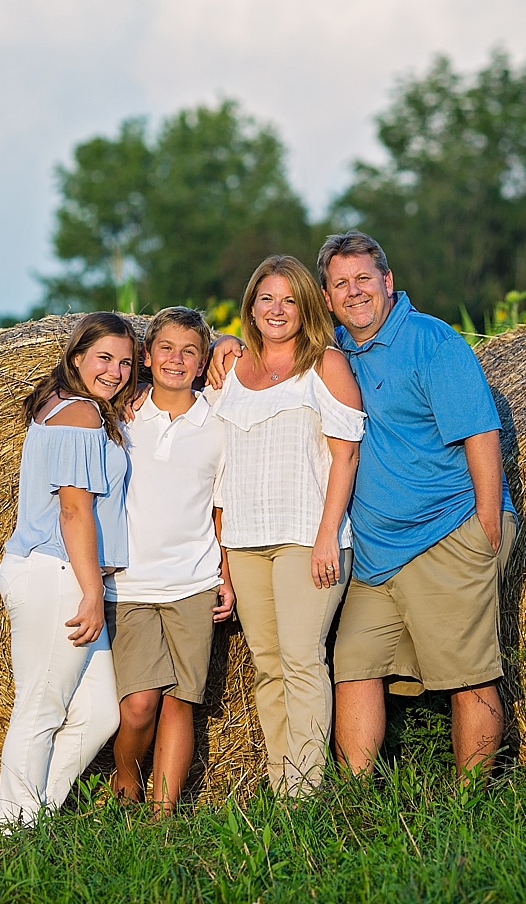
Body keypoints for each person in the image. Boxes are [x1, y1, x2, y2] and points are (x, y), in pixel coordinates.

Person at [210, 231, 516, 780]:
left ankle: (476, 802)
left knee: (466, 674)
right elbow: (273, 336)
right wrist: (221, 344)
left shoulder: (431, 341)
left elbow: (481, 433)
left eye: (363, 280)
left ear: (387, 282)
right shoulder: (334, 347)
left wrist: (487, 526)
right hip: (376, 550)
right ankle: (353, 796)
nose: (354, 293)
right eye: (340, 284)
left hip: (444, 531)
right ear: (325, 298)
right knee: (352, 665)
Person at [209, 255, 364, 795]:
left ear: (307, 306)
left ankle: (308, 793)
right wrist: (223, 560)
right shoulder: (229, 370)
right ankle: (284, 785)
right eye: (266, 299)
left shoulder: (324, 363)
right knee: (267, 665)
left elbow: (345, 457)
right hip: (245, 540)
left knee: (302, 660)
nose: (277, 310)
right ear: (251, 305)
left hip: (308, 539)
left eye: (289, 300)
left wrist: (328, 536)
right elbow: (220, 472)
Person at [0, 312, 139, 826]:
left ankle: (37, 812)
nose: (116, 371)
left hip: (62, 573)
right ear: (76, 357)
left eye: (126, 362)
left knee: (101, 711)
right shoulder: (79, 414)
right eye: (104, 358)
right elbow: (74, 510)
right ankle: (15, 833)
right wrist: (92, 591)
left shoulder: (76, 407)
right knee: (41, 708)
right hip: (57, 573)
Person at [106, 306, 235, 816]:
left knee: (182, 701)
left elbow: (223, 510)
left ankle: (163, 822)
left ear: (204, 363)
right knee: (138, 706)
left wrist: (225, 577)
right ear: (146, 356)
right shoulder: (122, 416)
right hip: (132, 584)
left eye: (189, 351)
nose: (176, 360)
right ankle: (125, 780)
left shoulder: (219, 424)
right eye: (166, 348)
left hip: (194, 582)